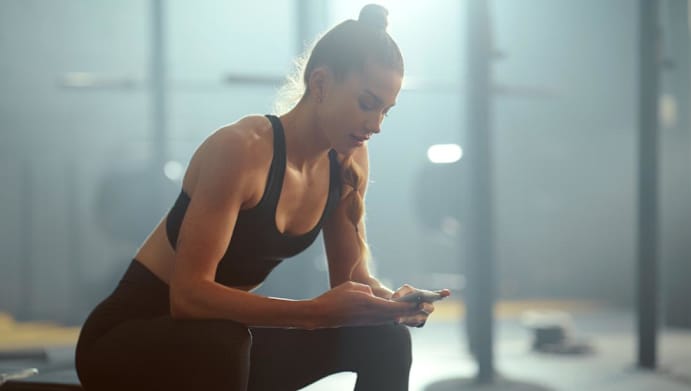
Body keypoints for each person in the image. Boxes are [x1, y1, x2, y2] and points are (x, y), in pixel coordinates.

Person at [75, 4, 449, 391]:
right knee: (225, 340)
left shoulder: (348, 158)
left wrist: (392, 305)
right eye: (367, 104)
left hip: (218, 345)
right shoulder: (242, 150)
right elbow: (187, 298)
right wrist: (312, 314)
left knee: (384, 338)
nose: (376, 125)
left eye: (385, 111)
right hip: (124, 341)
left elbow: (350, 278)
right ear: (320, 84)